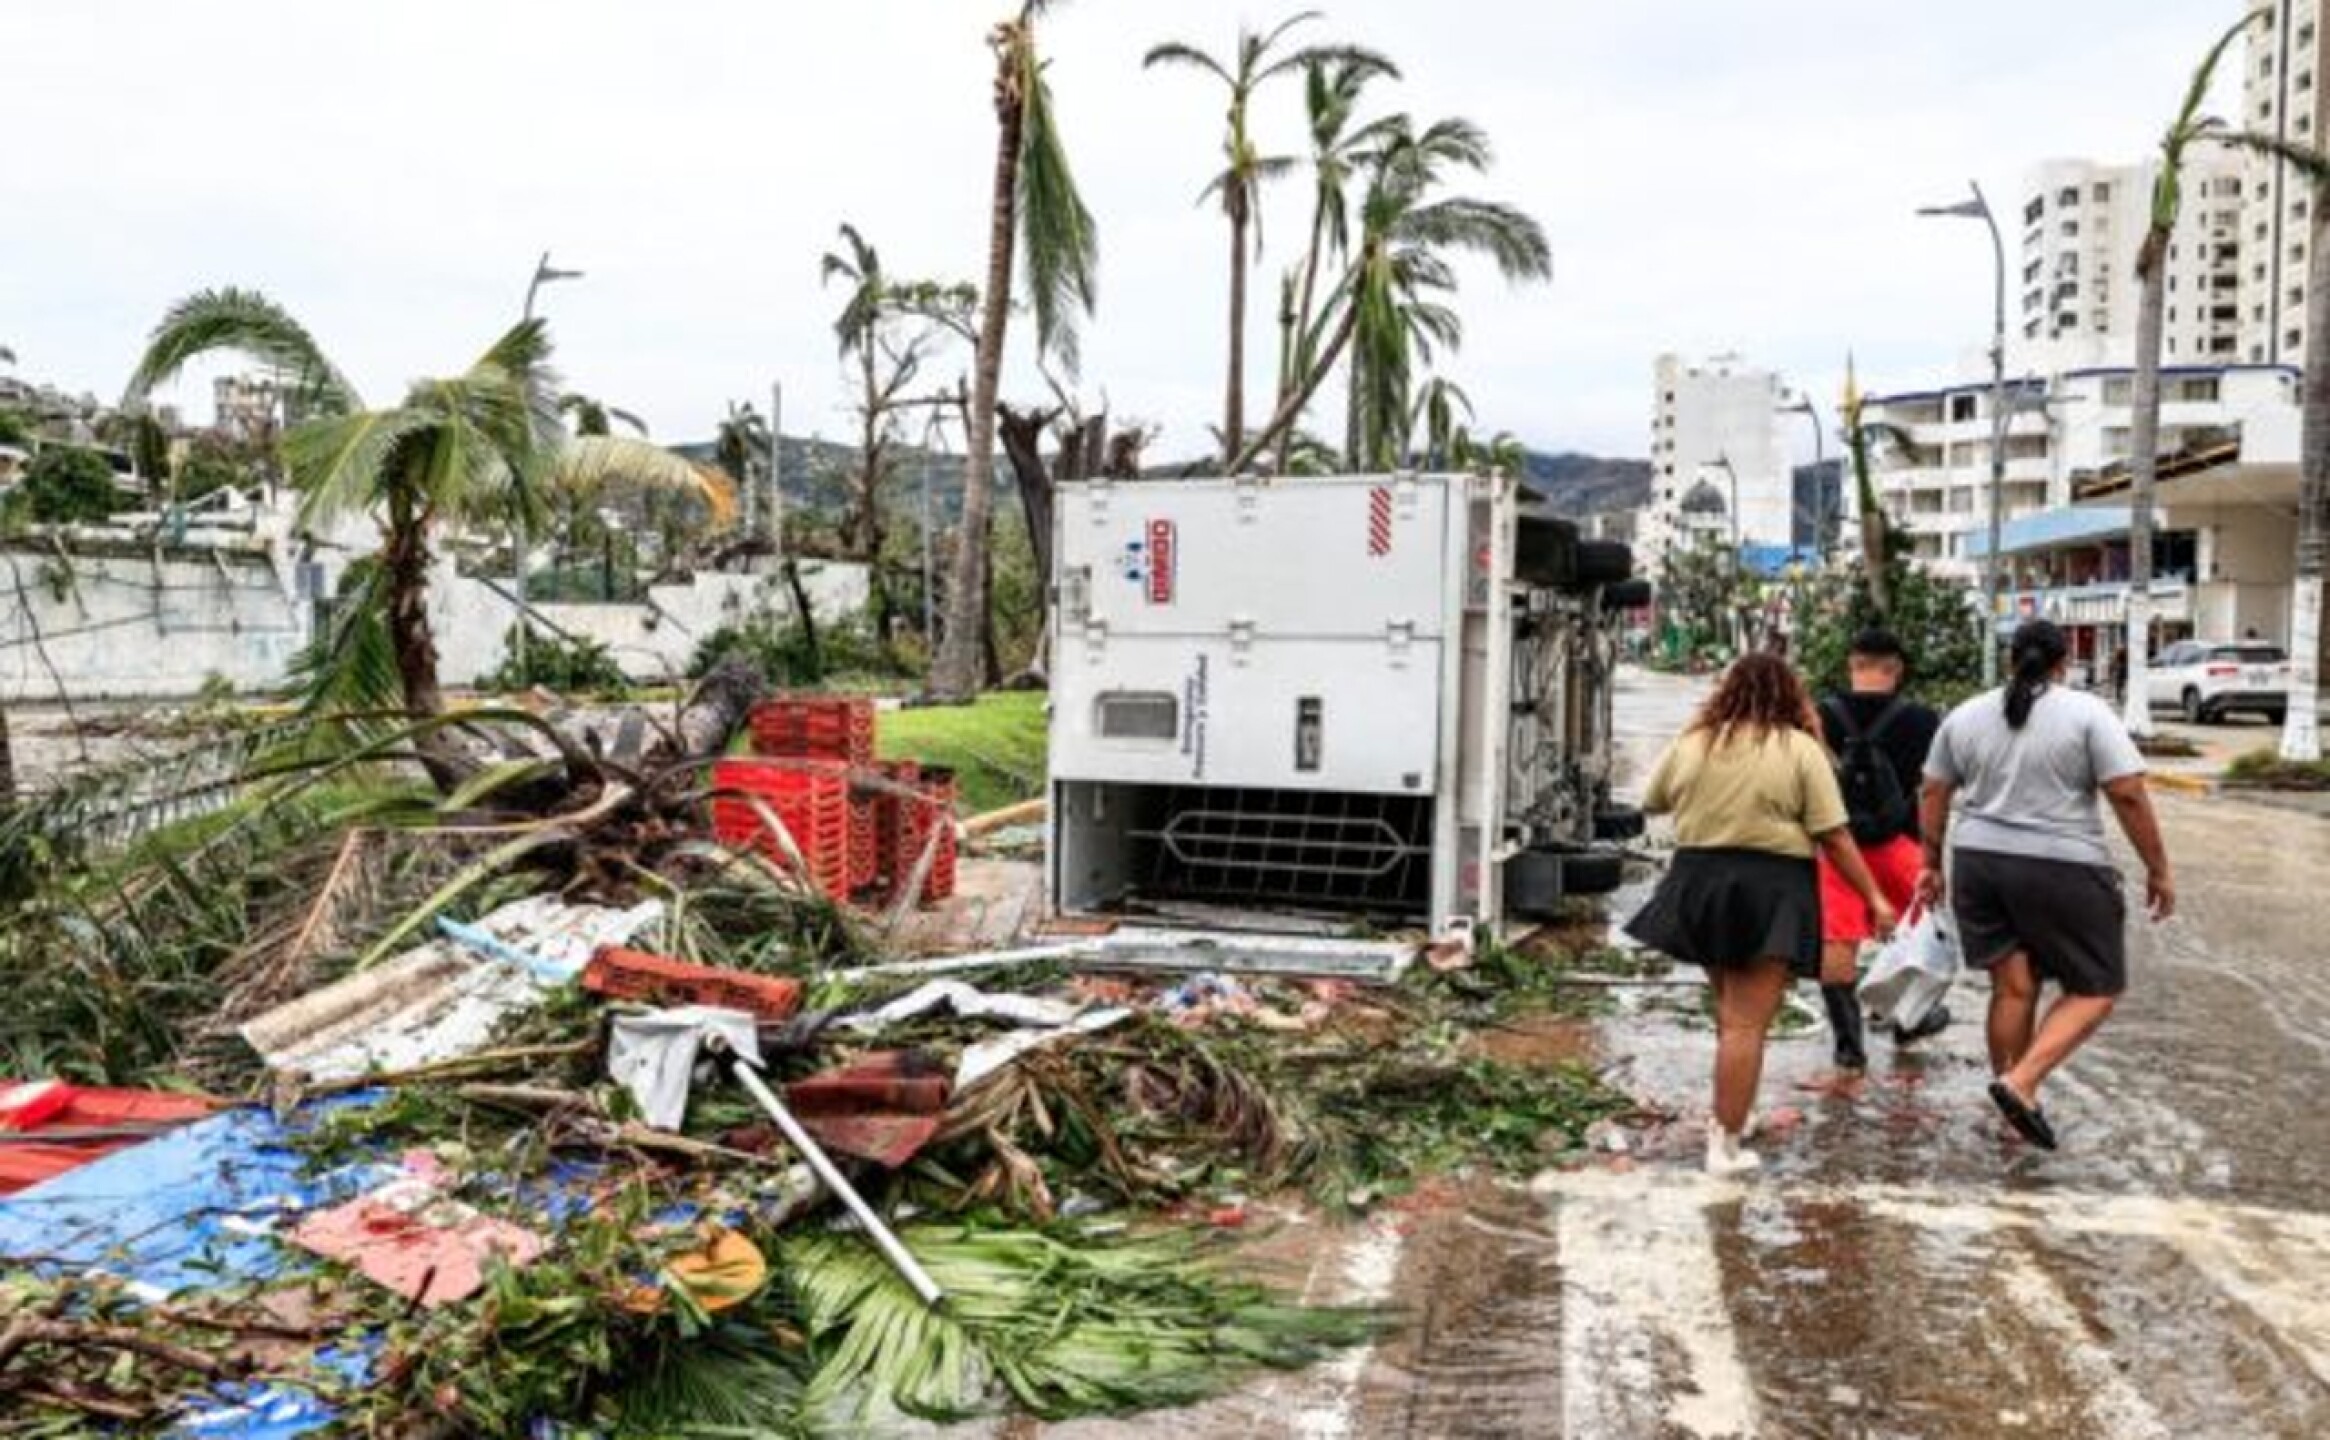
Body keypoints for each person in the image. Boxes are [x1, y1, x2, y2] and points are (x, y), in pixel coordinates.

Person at [1627, 653, 1900, 1175]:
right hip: (1769, 888)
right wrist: (1875, 898)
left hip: (1698, 883)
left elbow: (1653, 800)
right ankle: (1724, 1146)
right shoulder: (1799, 748)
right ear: (1790, 695)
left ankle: (1736, 1115)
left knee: (1731, 1012)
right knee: (1746, 1024)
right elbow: (1833, 834)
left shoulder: (1695, 741)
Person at [1918, 618, 2174, 1152]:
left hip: (1979, 864)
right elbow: (2127, 793)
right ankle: (2021, 1082)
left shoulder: (1965, 714)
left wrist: (1931, 864)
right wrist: (2158, 868)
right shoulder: (2087, 713)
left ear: (2011, 659)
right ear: (2064, 664)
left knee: (2013, 988)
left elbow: (1933, 791)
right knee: (2097, 988)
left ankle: (2010, 1114)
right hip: (2063, 866)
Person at [1813, 628, 1946, 1076]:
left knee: (1838, 940)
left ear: (1852, 665)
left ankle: (1849, 1051)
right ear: (1897, 669)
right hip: (1903, 846)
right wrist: (1934, 856)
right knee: (1922, 936)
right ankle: (1910, 1022)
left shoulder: (1821, 716)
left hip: (1839, 847)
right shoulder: (1923, 720)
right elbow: (1934, 790)